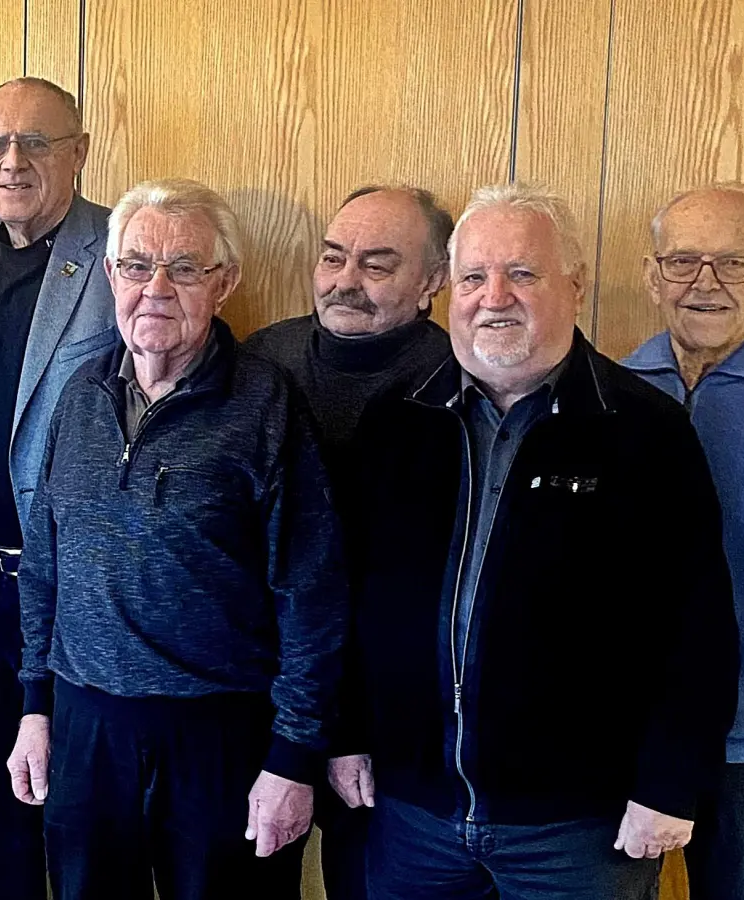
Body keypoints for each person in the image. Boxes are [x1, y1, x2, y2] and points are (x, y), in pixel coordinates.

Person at [345, 182, 738, 899]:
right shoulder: (395, 424)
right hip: (414, 815)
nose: (494, 296)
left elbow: (697, 629)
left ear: (575, 288)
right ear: (449, 292)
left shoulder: (646, 433)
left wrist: (671, 784)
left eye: (522, 273)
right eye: (473, 276)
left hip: (581, 827)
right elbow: (346, 595)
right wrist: (345, 735)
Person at [7, 178, 347, 900]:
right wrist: (35, 708)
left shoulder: (267, 402)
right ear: (110, 275)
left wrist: (293, 756)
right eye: (136, 265)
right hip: (85, 728)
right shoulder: (79, 395)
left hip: (222, 741)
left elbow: (311, 591)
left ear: (224, 282)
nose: (155, 287)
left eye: (184, 268)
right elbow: (44, 569)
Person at [0, 75, 116, 900]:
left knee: (81, 812)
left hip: (82, 587)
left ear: (79, 152)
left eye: (35, 142)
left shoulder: (121, 249)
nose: (12, 161)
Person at [243, 186, 452, 898]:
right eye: (334, 257)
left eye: (377, 265)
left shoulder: (458, 385)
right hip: (256, 696)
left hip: (390, 721)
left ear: (433, 282)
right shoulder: (261, 360)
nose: (345, 281)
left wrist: (351, 725)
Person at [621, 182, 744, 899]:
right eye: (682, 262)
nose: (705, 284)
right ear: (651, 275)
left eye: (734, 263)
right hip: (619, 744)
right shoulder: (603, 396)